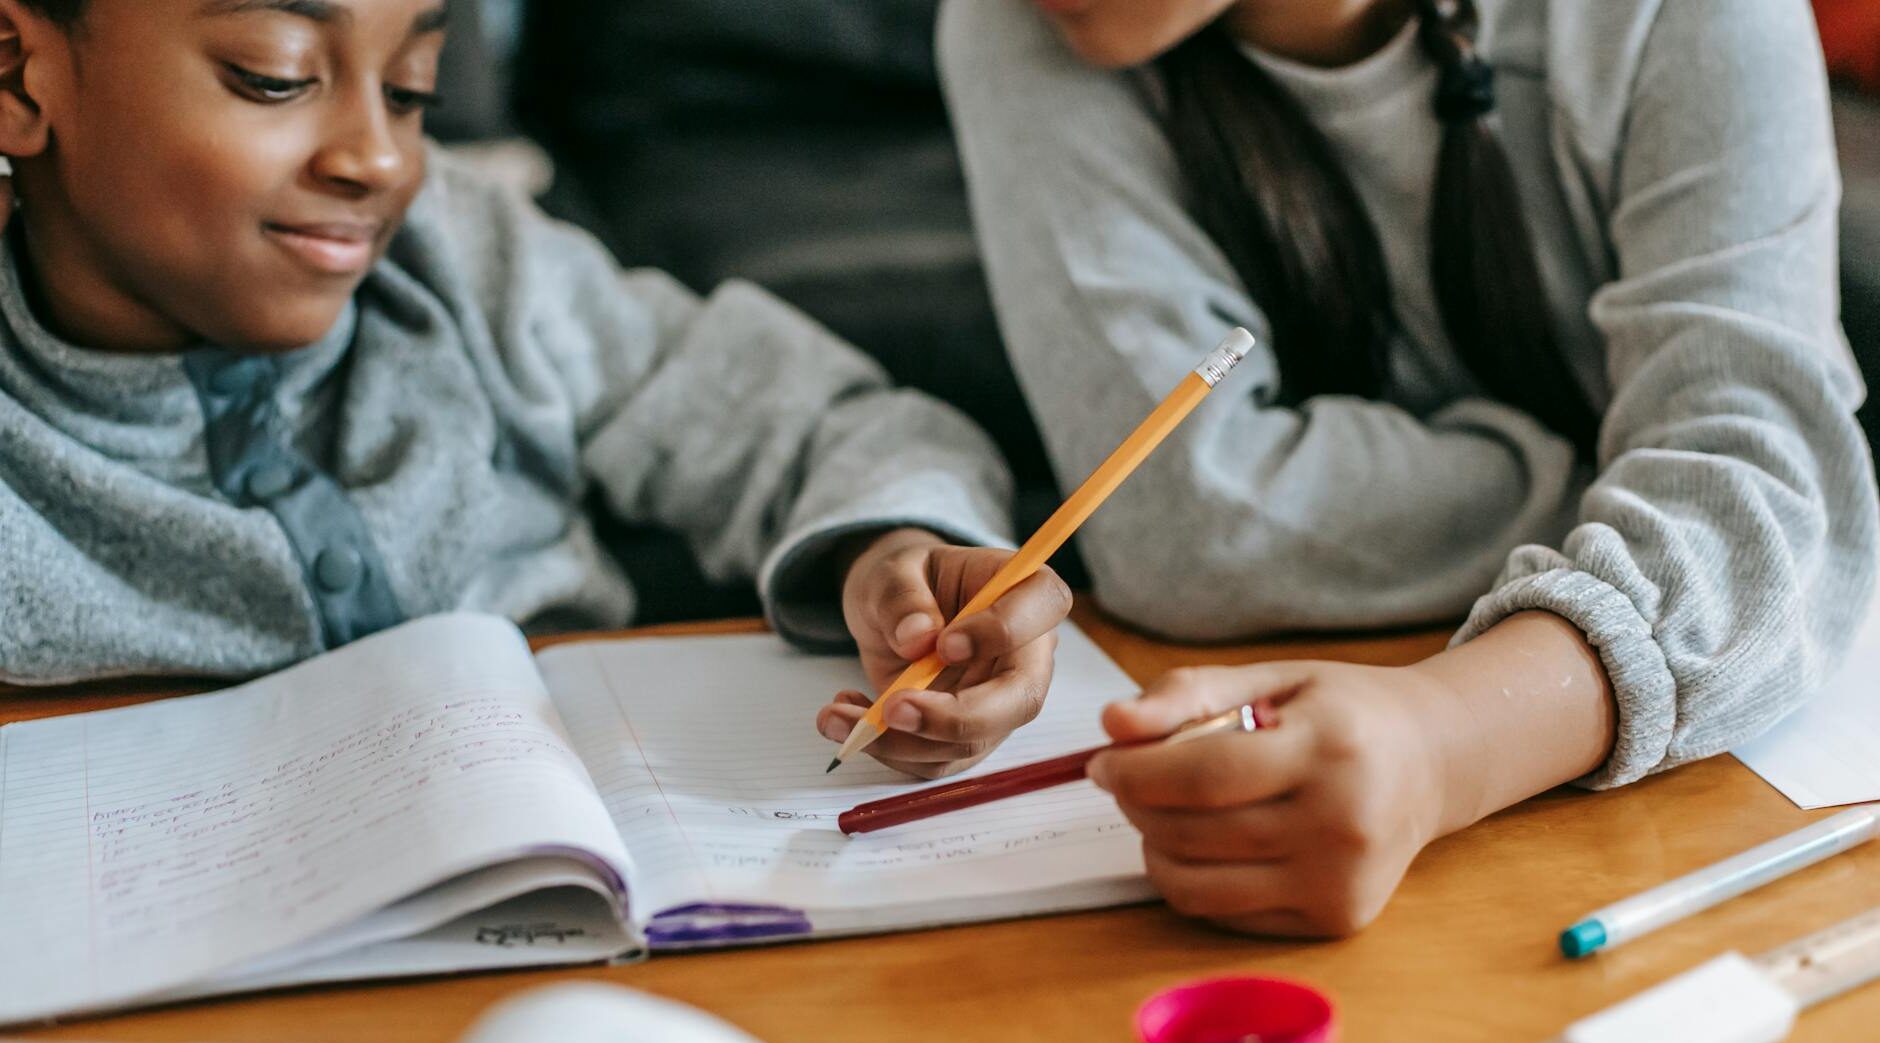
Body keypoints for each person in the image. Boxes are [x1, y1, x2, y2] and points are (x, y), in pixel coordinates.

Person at [939, 0, 1879, 933]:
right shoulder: (1019, 25)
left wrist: (1444, 738)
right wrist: (1620, 479)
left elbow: (1768, 496)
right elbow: (1186, 520)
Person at [0, 0, 1072, 781]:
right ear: (17, 77)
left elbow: (834, 423)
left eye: (411, 89)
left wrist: (890, 553)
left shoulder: (471, 255)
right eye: (275, 76)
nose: (379, 158)